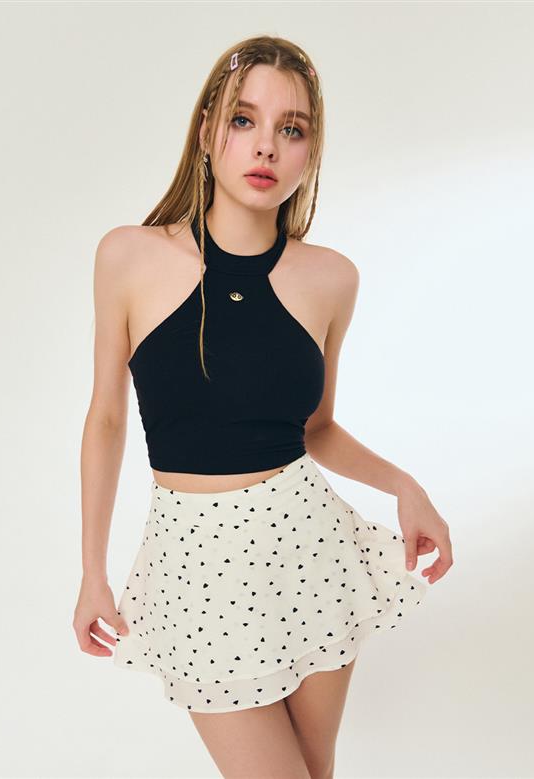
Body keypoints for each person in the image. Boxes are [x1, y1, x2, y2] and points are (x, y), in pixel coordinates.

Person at [73, 35, 453, 779]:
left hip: (308, 549)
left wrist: (404, 485)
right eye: (244, 119)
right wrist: (93, 570)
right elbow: (107, 419)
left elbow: (317, 429)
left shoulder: (331, 279)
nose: (267, 146)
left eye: (292, 128)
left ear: (311, 151)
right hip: (195, 563)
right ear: (207, 130)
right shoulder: (129, 256)